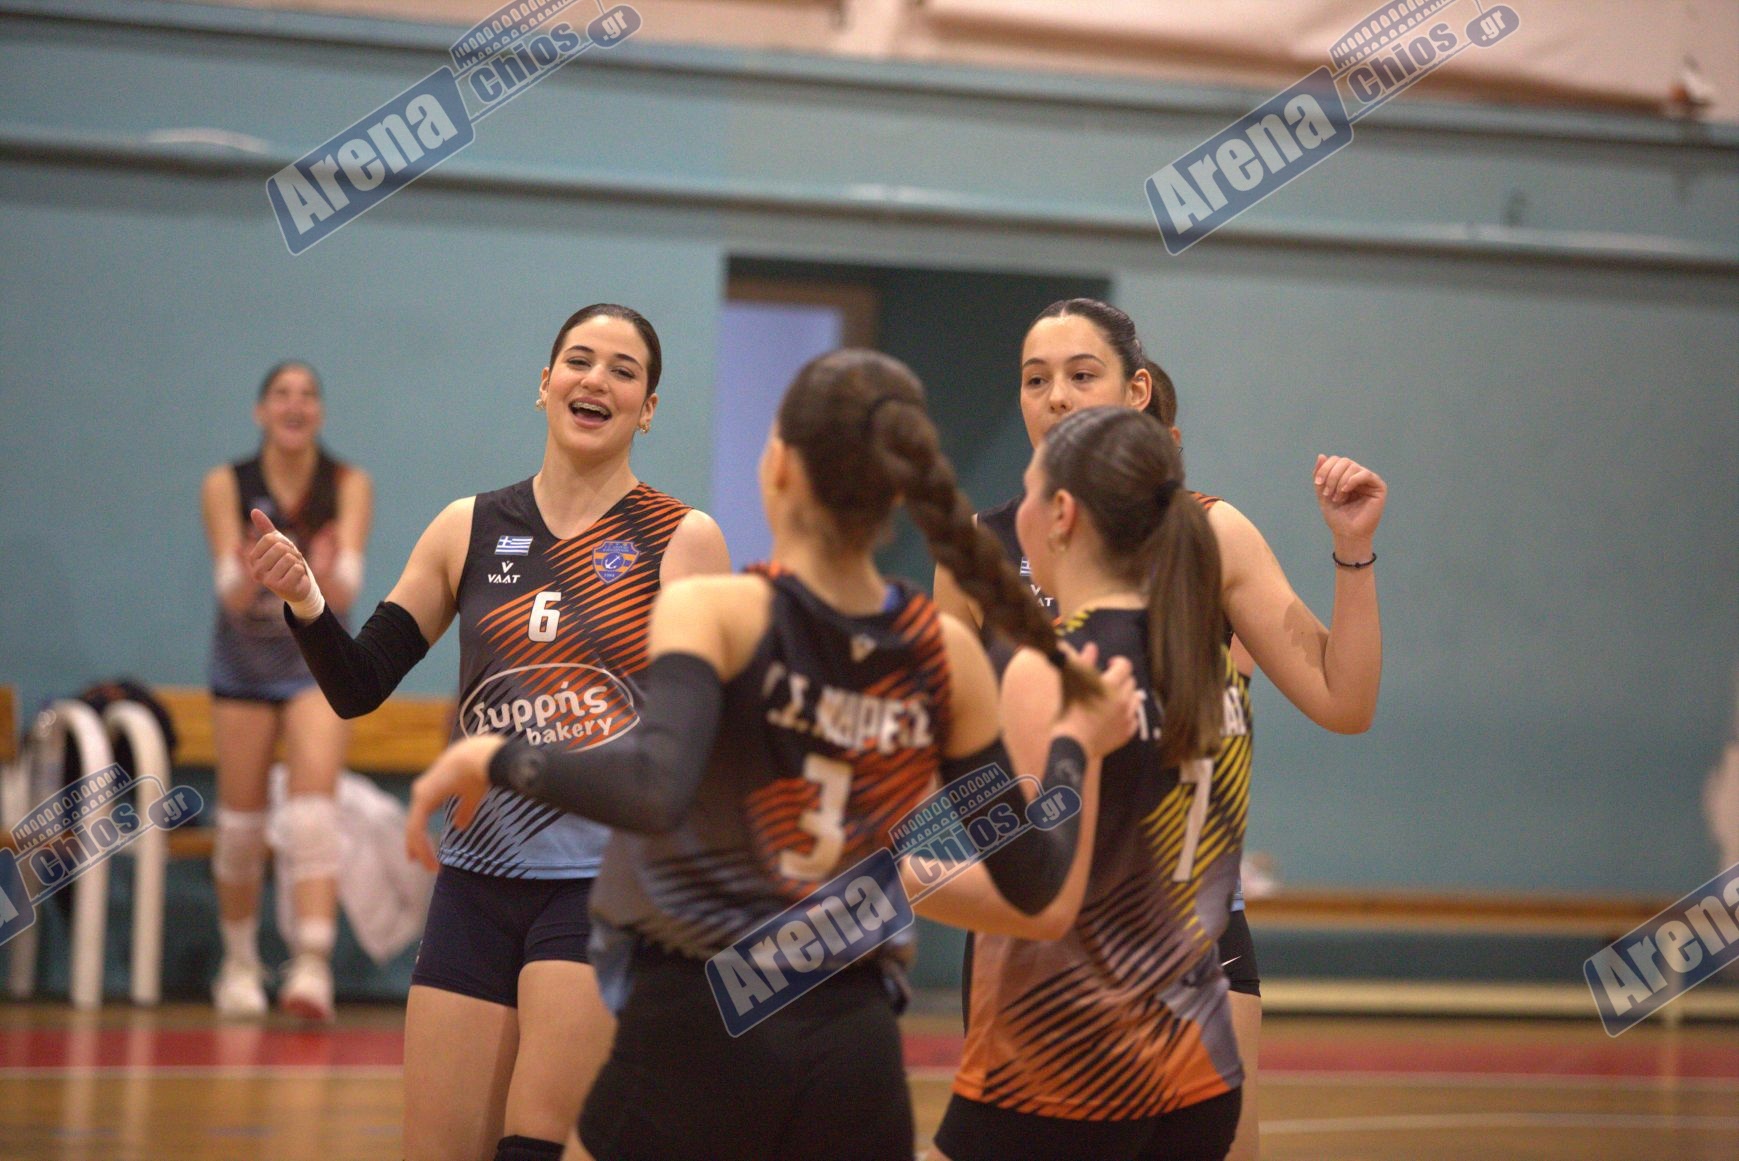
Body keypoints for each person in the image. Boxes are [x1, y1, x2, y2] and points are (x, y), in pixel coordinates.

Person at [404, 348, 1143, 1161]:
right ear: (898, 490)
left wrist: (496, 758)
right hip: (854, 1041)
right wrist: (1075, 747)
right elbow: (1038, 892)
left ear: (780, 465)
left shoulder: (719, 612)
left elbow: (651, 788)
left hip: (704, 1010)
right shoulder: (946, 651)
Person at [243, 305, 731, 1161]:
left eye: (623, 370)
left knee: (533, 1144)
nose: (596, 379)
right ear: (544, 384)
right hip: (472, 881)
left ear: (648, 407)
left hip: (598, 886)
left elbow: (699, 749)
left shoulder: (682, 540)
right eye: (579, 360)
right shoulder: (467, 526)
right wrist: (307, 601)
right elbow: (358, 686)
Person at [935, 298, 1386, 1161]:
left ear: (1136, 389)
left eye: (1081, 374)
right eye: (1035, 379)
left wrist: (1353, 554)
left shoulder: (1211, 534)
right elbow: (954, 769)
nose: (1056, 396)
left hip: (1180, 934)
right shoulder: (978, 549)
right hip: (1039, 945)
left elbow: (1343, 699)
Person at [936, 405, 1249, 1160]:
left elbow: (1035, 895)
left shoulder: (1053, 672)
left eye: (1028, 493)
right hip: (1197, 1068)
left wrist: (891, 874)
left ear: (1062, 514)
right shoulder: (1211, 664)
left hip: (1060, 1067)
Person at [201, 360, 372, 1022]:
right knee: (241, 825)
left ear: (319, 413)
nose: (294, 405)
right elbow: (229, 592)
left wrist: (317, 577)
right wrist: (257, 574)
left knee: (311, 814)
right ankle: (240, 964)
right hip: (243, 670)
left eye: (307, 395)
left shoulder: (348, 483)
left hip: (313, 666)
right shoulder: (227, 483)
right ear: (261, 411)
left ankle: (311, 965)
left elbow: (348, 587)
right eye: (281, 394)